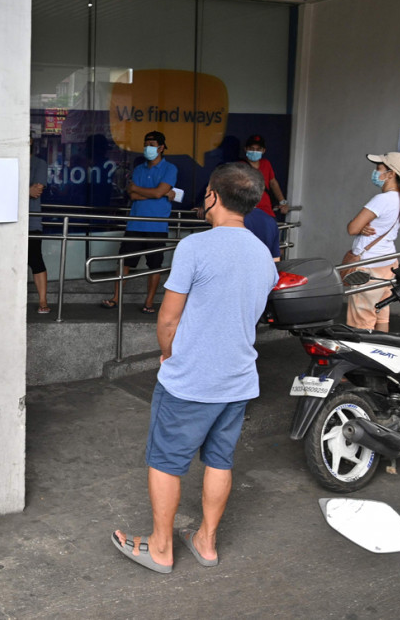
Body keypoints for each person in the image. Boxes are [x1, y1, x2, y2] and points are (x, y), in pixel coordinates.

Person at [111, 162, 277, 574]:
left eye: (206, 191)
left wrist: (167, 353)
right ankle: (206, 541)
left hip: (191, 380)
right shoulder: (262, 253)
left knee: (166, 460)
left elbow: (167, 319)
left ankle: (161, 548)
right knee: (220, 460)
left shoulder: (195, 247)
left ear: (214, 197)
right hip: (238, 379)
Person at [101, 131, 178, 313]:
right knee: (124, 262)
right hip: (134, 223)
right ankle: (115, 298)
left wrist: (146, 191)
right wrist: (155, 192)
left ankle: (149, 303)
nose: (148, 148)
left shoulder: (170, 169)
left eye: (152, 144)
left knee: (154, 266)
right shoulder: (139, 169)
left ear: (161, 147)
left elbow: (156, 192)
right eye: (146, 144)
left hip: (157, 226)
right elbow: (132, 194)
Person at [346, 152, 400, 332]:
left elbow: (352, 228)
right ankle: (384, 353)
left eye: (378, 168)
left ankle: (363, 356)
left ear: (390, 174)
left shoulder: (381, 199)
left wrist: (360, 225)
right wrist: (363, 225)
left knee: (362, 319)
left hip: (370, 266)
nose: (375, 172)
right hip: (388, 263)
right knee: (381, 312)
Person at [242, 134, 289, 218]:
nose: (254, 151)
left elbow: (273, 183)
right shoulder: (239, 166)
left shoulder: (266, 164)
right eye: (251, 149)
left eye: (258, 149)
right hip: (246, 211)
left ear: (263, 150)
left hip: (266, 211)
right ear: (245, 149)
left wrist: (283, 202)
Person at [29, 145, 50, 313]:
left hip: (31, 222)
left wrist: (14, 191)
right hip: (8, 222)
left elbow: (36, 191)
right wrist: (25, 190)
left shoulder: (39, 163)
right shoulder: (10, 163)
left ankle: (43, 301)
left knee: (36, 261)